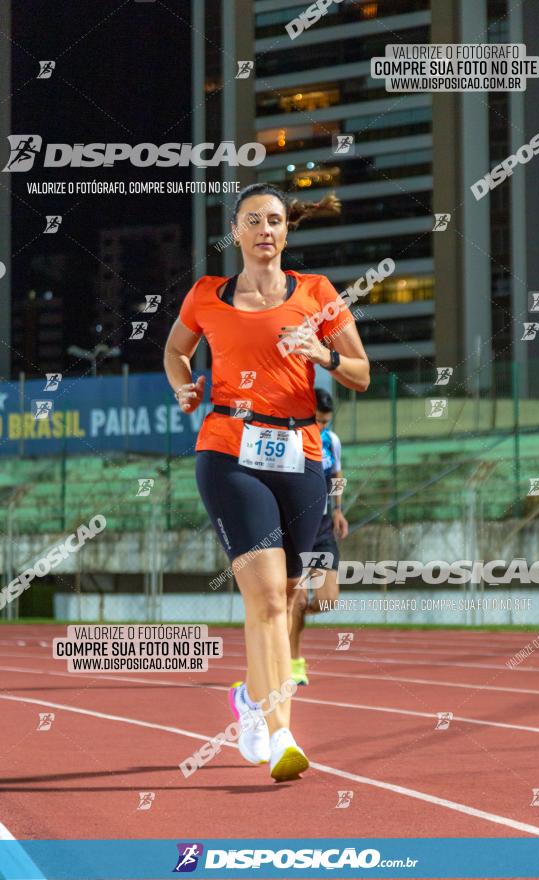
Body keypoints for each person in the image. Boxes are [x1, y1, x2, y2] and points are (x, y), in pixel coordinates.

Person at [164, 182, 369, 782]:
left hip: (300, 454)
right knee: (264, 597)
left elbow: (359, 373)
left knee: (285, 598)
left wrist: (321, 354)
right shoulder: (206, 296)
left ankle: (250, 703)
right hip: (229, 449)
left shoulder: (318, 294)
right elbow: (176, 352)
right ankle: (281, 731)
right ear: (236, 232)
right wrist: (184, 385)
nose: (264, 230)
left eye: (274, 220)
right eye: (252, 220)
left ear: (286, 231)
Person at [290, 388, 348, 686]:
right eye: (317, 420)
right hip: (295, 529)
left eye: (326, 421)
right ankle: (294, 664)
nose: (322, 426)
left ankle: (288, 618)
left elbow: (336, 475)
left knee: (327, 601)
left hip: (323, 527)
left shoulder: (331, 441)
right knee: (296, 601)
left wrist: (338, 509)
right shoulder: (290, 438)